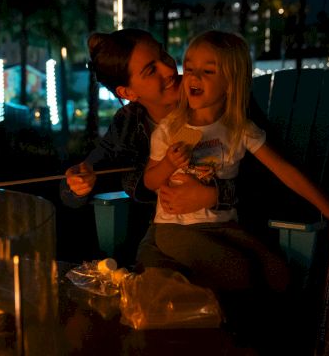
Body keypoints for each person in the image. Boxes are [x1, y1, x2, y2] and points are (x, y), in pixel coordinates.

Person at [143, 29, 329, 294]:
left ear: (231, 82)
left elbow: (286, 171)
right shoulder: (170, 128)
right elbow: (150, 181)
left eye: (208, 71)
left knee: (279, 274)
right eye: (190, 67)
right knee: (239, 271)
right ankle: (219, 321)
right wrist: (168, 164)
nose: (193, 76)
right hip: (175, 228)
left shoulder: (239, 128)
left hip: (225, 225)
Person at [60, 28, 235, 264]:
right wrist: (77, 185)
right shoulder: (127, 125)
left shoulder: (215, 95)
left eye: (163, 55)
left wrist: (214, 194)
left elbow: (267, 178)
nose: (169, 69)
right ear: (127, 92)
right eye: (151, 70)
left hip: (224, 227)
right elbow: (77, 184)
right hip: (164, 234)